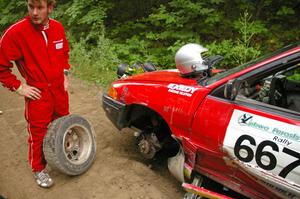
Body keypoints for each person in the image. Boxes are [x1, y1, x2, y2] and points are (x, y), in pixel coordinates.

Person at [0, 0, 70, 188]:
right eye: (31, 7)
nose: (34, 12)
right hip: (38, 93)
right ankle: (39, 169)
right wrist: (19, 87)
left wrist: (65, 74)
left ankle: (62, 157)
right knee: (38, 132)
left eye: (40, 7)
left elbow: (64, 53)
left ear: (50, 7)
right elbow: (1, 67)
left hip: (59, 91)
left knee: (63, 124)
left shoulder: (57, 28)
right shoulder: (16, 33)